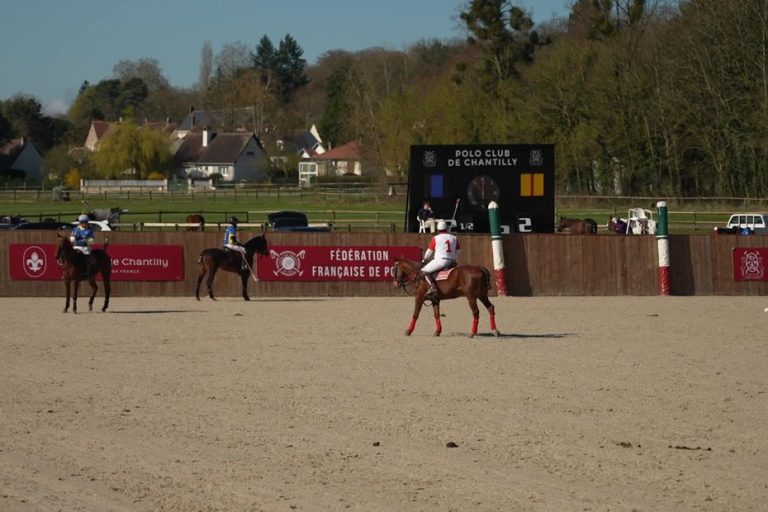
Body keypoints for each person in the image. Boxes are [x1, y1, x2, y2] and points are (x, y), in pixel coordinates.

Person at [421, 220, 460, 297]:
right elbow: (459, 251)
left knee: (424, 271)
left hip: (440, 261)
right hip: (452, 262)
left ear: (438, 229)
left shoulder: (435, 238)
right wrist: (454, 258)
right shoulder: (454, 238)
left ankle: (432, 287)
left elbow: (429, 251)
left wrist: (424, 259)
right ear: (447, 229)